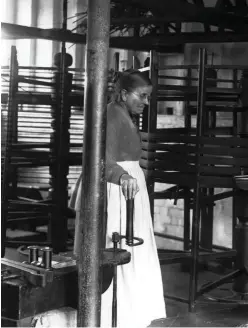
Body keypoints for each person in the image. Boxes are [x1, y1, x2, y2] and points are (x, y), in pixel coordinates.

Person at [70, 70, 166, 328]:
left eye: (148, 97)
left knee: (129, 247)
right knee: (115, 245)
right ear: (123, 93)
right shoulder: (112, 115)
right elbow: (102, 160)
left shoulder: (122, 114)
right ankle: (117, 314)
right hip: (116, 189)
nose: (145, 102)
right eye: (142, 96)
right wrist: (123, 177)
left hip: (127, 186)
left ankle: (130, 312)